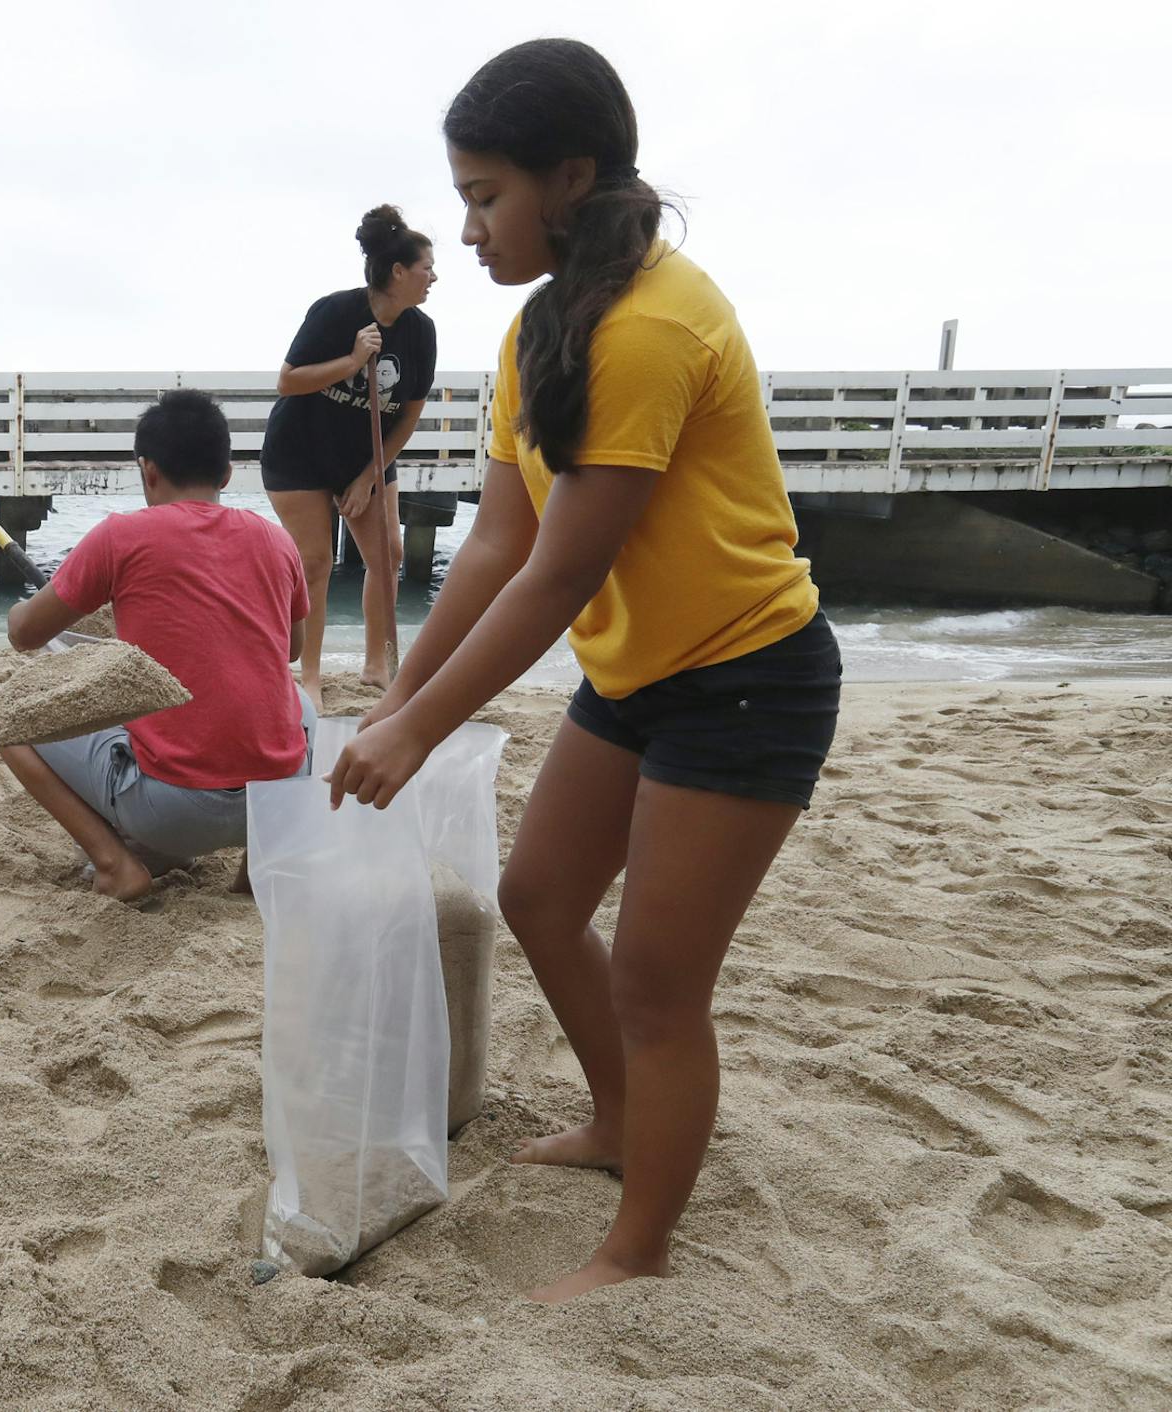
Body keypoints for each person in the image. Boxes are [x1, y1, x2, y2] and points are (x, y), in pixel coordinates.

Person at [325, 39, 843, 1300]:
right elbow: (498, 540)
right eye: (461, 197)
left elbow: (558, 575)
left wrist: (420, 729)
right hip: (640, 674)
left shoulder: (661, 321)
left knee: (664, 986)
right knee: (540, 899)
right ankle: (620, 1121)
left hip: (749, 676)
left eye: (487, 196)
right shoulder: (538, 329)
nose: (468, 225)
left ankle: (639, 1250)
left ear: (571, 177)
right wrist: (397, 702)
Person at [1, 390, 314, 902]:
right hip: (272, 803)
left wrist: (19, 610)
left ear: (148, 470)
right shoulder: (276, 540)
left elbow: (26, 635)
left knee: (10, 717)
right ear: (228, 473)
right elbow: (290, 650)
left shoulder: (121, 537)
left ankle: (114, 865)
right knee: (299, 702)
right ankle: (257, 867)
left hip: (171, 812)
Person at [261, 206, 439, 708]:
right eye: (427, 267)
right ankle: (310, 678)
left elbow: (408, 415)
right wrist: (354, 362)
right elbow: (288, 381)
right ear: (398, 272)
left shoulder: (420, 332)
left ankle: (377, 665)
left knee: (389, 555)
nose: (434, 277)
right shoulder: (335, 312)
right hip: (300, 452)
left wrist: (368, 478)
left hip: (367, 455)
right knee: (315, 563)